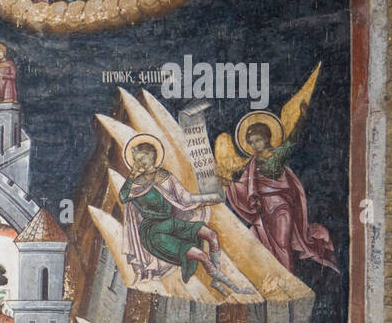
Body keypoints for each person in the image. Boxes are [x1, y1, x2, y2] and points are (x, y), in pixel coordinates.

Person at [119, 139, 246, 295]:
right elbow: (123, 197)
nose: (138, 163)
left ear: (152, 156)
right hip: (154, 232)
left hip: (171, 223)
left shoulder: (165, 176)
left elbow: (185, 198)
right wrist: (132, 175)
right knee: (202, 255)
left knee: (211, 235)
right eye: (135, 160)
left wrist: (210, 197)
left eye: (141, 158)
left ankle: (216, 280)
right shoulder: (137, 183)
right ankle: (233, 287)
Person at [224, 120, 338, 274]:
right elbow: (243, 187)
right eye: (251, 142)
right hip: (263, 211)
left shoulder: (277, 155)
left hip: (280, 209)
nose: (254, 145)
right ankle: (269, 280)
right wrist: (228, 185)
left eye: (257, 140)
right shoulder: (252, 164)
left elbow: (291, 140)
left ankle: (287, 281)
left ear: (266, 138)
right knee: (255, 241)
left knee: (282, 246)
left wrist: (301, 118)